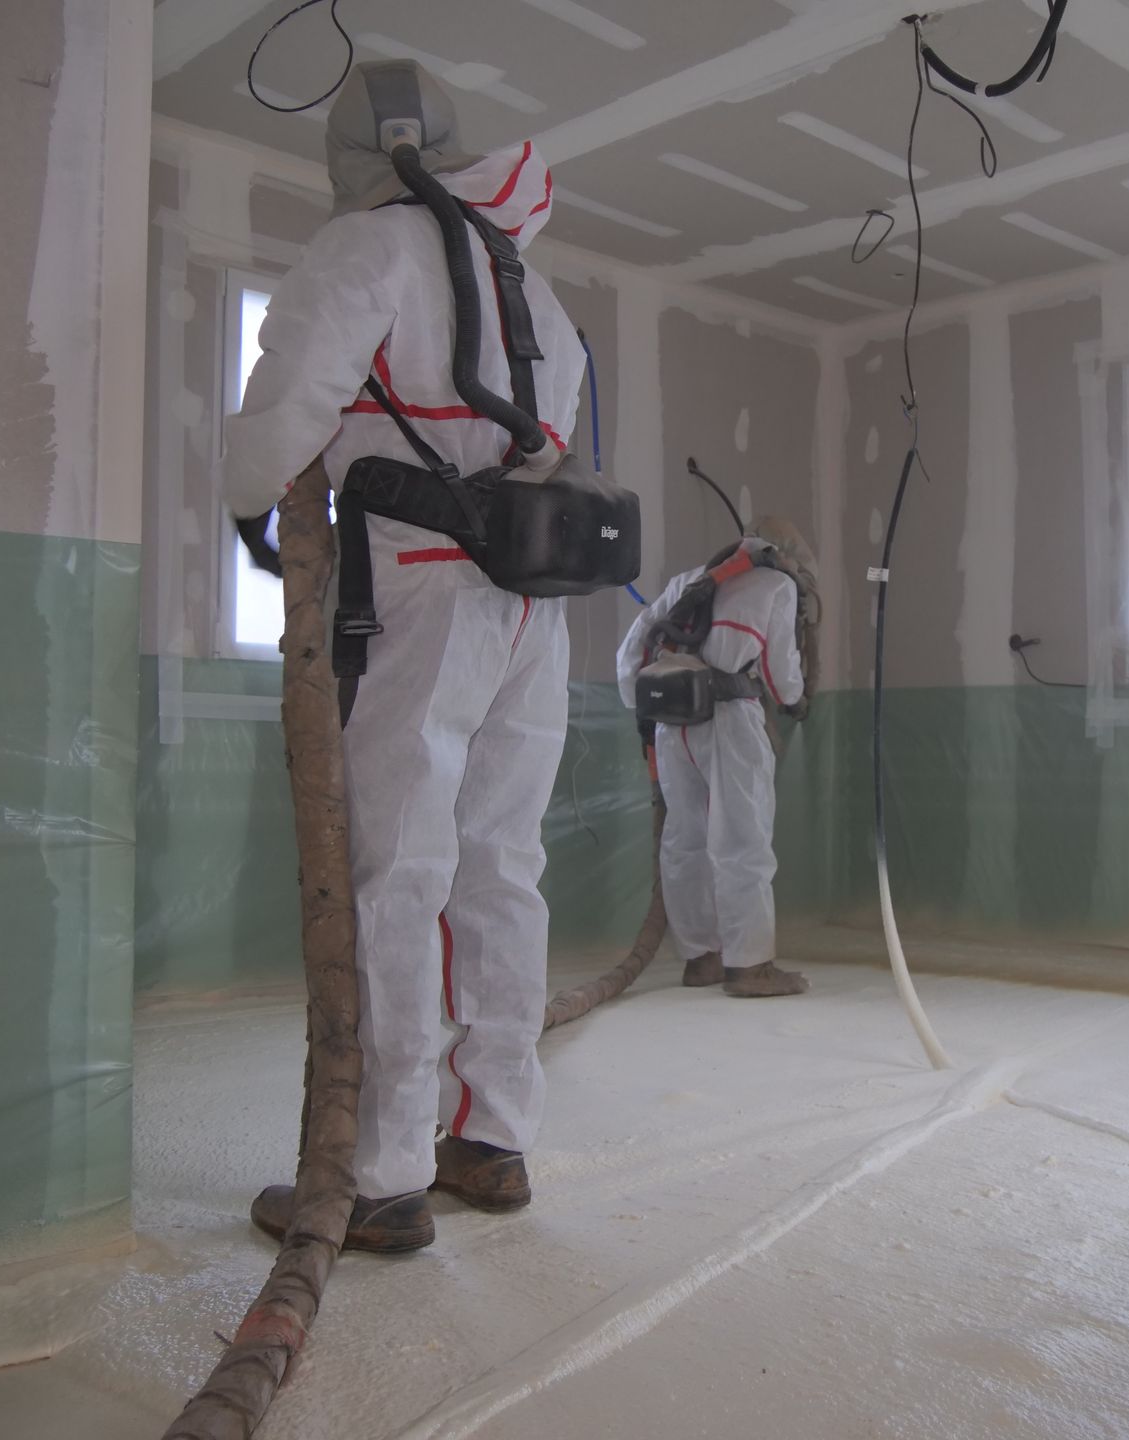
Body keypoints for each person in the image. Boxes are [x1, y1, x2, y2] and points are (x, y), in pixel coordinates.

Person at [222, 61, 583, 1254]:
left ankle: (381, 1174)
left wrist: (246, 502)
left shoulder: (364, 249)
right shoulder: (532, 280)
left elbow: (280, 421)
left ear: (348, 162)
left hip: (421, 595)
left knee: (402, 872)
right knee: (501, 868)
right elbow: (553, 438)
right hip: (533, 605)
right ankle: (491, 1140)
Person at [616, 518, 816, 998]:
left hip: (673, 723)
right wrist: (794, 700)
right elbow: (781, 676)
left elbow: (631, 654)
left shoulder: (687, 583)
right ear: (784, 552)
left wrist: (646, 705)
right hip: (730, 719)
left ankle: (701, 959)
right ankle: (750, 966)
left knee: (684, 841)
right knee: (742, 839)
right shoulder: (776, 584)